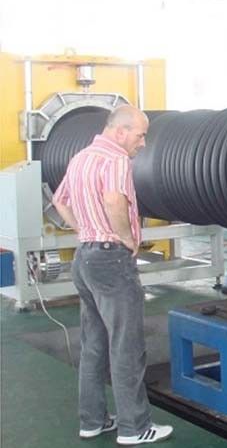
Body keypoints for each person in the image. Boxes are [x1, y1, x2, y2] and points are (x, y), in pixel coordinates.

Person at [52, 105, 173, 446]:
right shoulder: (117, 159)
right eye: (140, 135)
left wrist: (85, 230)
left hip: (85, 258)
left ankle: (92, 421)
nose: (143, 143)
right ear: (120, 132)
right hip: (111, 261)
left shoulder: (80, 158)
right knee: (126, 346)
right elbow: (113, 201)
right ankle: (135, 428)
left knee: (94, 344)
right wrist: (126, 239)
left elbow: (60, 201)